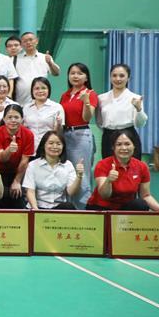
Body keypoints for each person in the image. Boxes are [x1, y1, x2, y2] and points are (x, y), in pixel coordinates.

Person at [87, 130, 159, 212]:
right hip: (101, 208)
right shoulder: (102, 164)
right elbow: (104, 195)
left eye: (127, 144)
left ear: (134, 146)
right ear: (113, 147)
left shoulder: (142, 166)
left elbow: (146, 196)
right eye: (119, 144)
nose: (124, 148)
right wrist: (108, 181)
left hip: (125, 208)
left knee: (140, 204)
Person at [60, 62, 99, 208]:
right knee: (67, 174)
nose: (75, 76)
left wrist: (86, 102)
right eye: (72, 73)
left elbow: (86, 118)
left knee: (81, 174)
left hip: (81, 135)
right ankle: (70, 209)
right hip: (65, 135)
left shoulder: (90, 93)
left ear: (86, 77)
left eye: (80, 73)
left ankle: (84, 210)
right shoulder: (65, 95)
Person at [97, 63, 147, 159]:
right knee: (109, 166)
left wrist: (139, 109)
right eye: (114, 75)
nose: (118, 79)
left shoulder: (135, 98)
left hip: (128, 136)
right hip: (108, 137)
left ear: (128, 78)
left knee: (130, 167)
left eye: (122, 76)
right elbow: (99, 121)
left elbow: (140, 124)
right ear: (110, 77)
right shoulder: (101, 98)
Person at [23, 131, 83, 210]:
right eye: (51, 143)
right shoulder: (33, 165)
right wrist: (36, 210)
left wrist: (79, 176)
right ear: (43, 145)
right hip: (37, 206)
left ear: (63, 146)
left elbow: (71, 192)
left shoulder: (68, 165)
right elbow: (30, 191)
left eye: (58, 144)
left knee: (69, 206)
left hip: (58, 207)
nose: (55, 147)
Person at [0, 105, 35, 209]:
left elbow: (24, 161)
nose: (13, 120)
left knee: (18, 199)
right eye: (10, 117)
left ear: (22, 119)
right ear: (4, 119)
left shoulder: (28, 134)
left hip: (18, 172)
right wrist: (9, 151)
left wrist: (17, 181)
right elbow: (1, 158)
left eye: (16, 117)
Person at [14, 32, 60, 105]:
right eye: (25, 41)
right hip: (20, 101)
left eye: (30, 40)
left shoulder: (45, 57)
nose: (28, 42)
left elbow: (56, 73)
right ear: (21, 44)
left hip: (40, 99)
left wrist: (50, 63)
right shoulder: (16, 59)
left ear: (37, 41)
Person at [23, 77, 65, 148]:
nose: (40, 91)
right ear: (32, 91)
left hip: (48, 147)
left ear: (48, 90)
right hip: (29, 146)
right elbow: (23, 129)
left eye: (43, 88)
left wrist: (58, 124)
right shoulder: (26, 108)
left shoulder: (57, 107)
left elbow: (59, 133)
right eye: (37, 88)